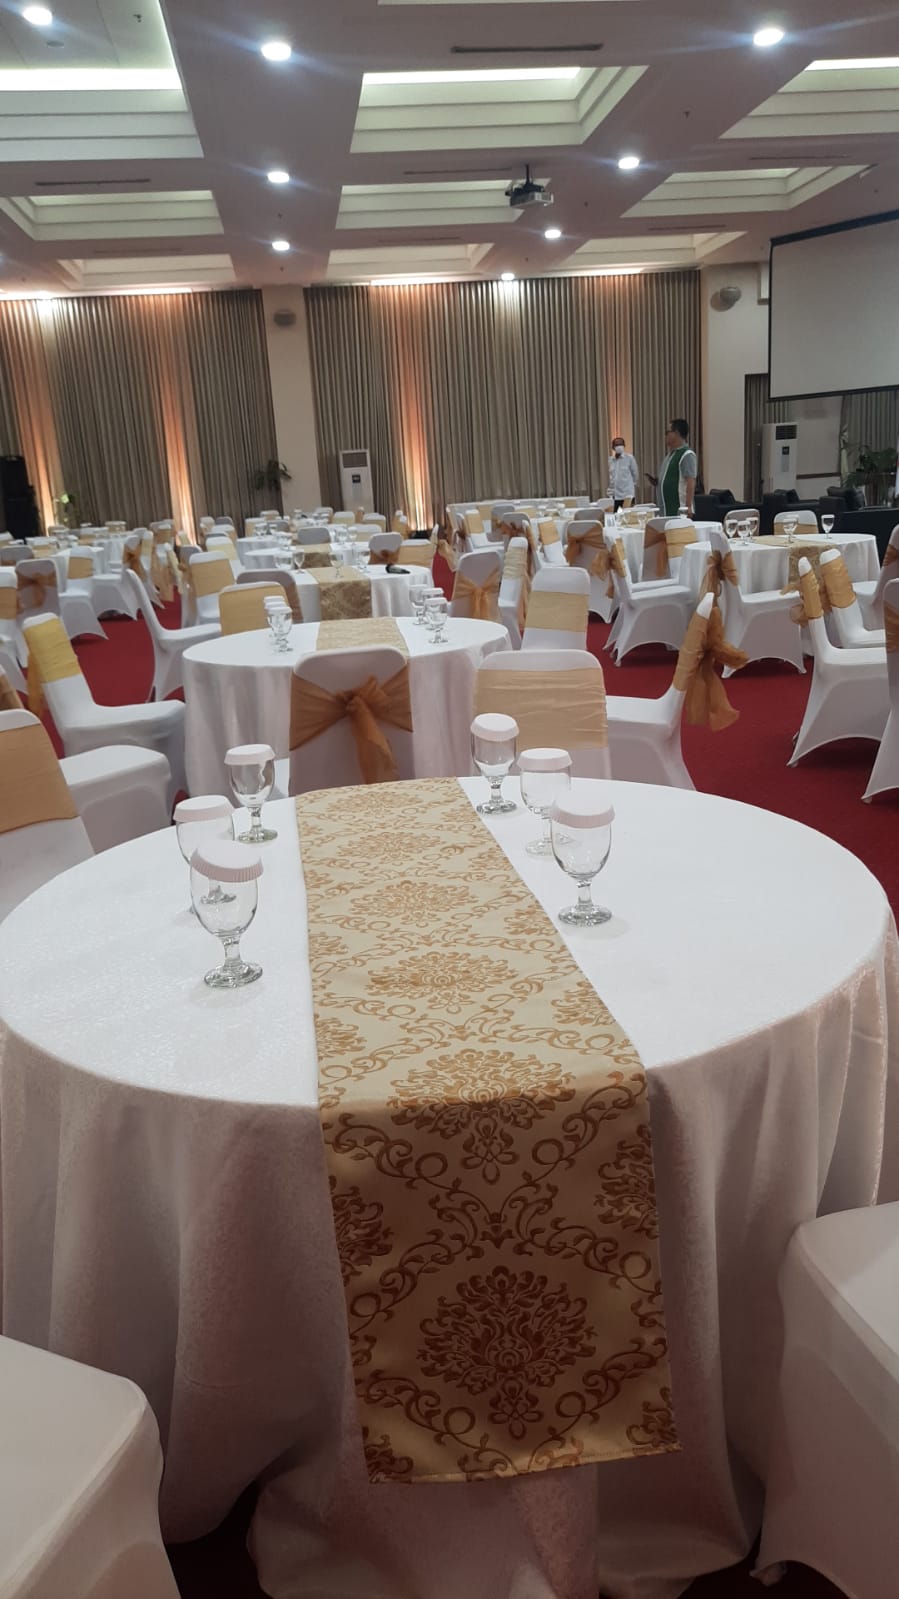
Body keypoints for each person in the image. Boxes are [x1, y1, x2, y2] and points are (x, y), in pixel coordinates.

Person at [651, 419, 698, 517]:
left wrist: (688, 506)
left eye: (667, 432)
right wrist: (659, 481)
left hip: (679, 509)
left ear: (676, 433)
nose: (665, 436)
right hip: (666, 509)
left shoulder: (686, 454)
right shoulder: (671, 455)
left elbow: (690, 481)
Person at [607, 436, 639, 510]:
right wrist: (610, 492)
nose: (619, 446)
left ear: (624, 446)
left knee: (626, 515)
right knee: (616, 515)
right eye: (617, 445)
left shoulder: (629, 458)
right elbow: (612, 478)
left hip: (627, 495)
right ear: (613, 447)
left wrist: (630, 486)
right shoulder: (611, 460)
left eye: (621, 444)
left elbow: (635, 475)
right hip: (616, 495)